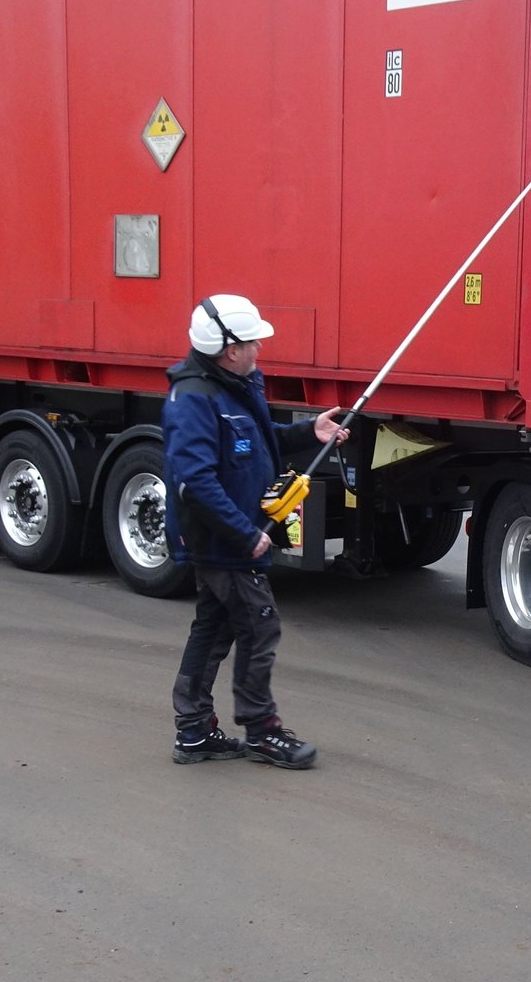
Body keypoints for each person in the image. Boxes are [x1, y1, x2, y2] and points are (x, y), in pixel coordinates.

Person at [163, 294, 347, 768]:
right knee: (259, 626)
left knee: (215, 625)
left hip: (232, 537)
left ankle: (195, 731)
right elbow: (194, 483)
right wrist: (245, 535)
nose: (259, 349)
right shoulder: (196, 399)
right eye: (253, 343)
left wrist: (311, 433)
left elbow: (263, 444)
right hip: (223, 542)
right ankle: (262, 730)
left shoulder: (237, 387)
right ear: (229, 349)